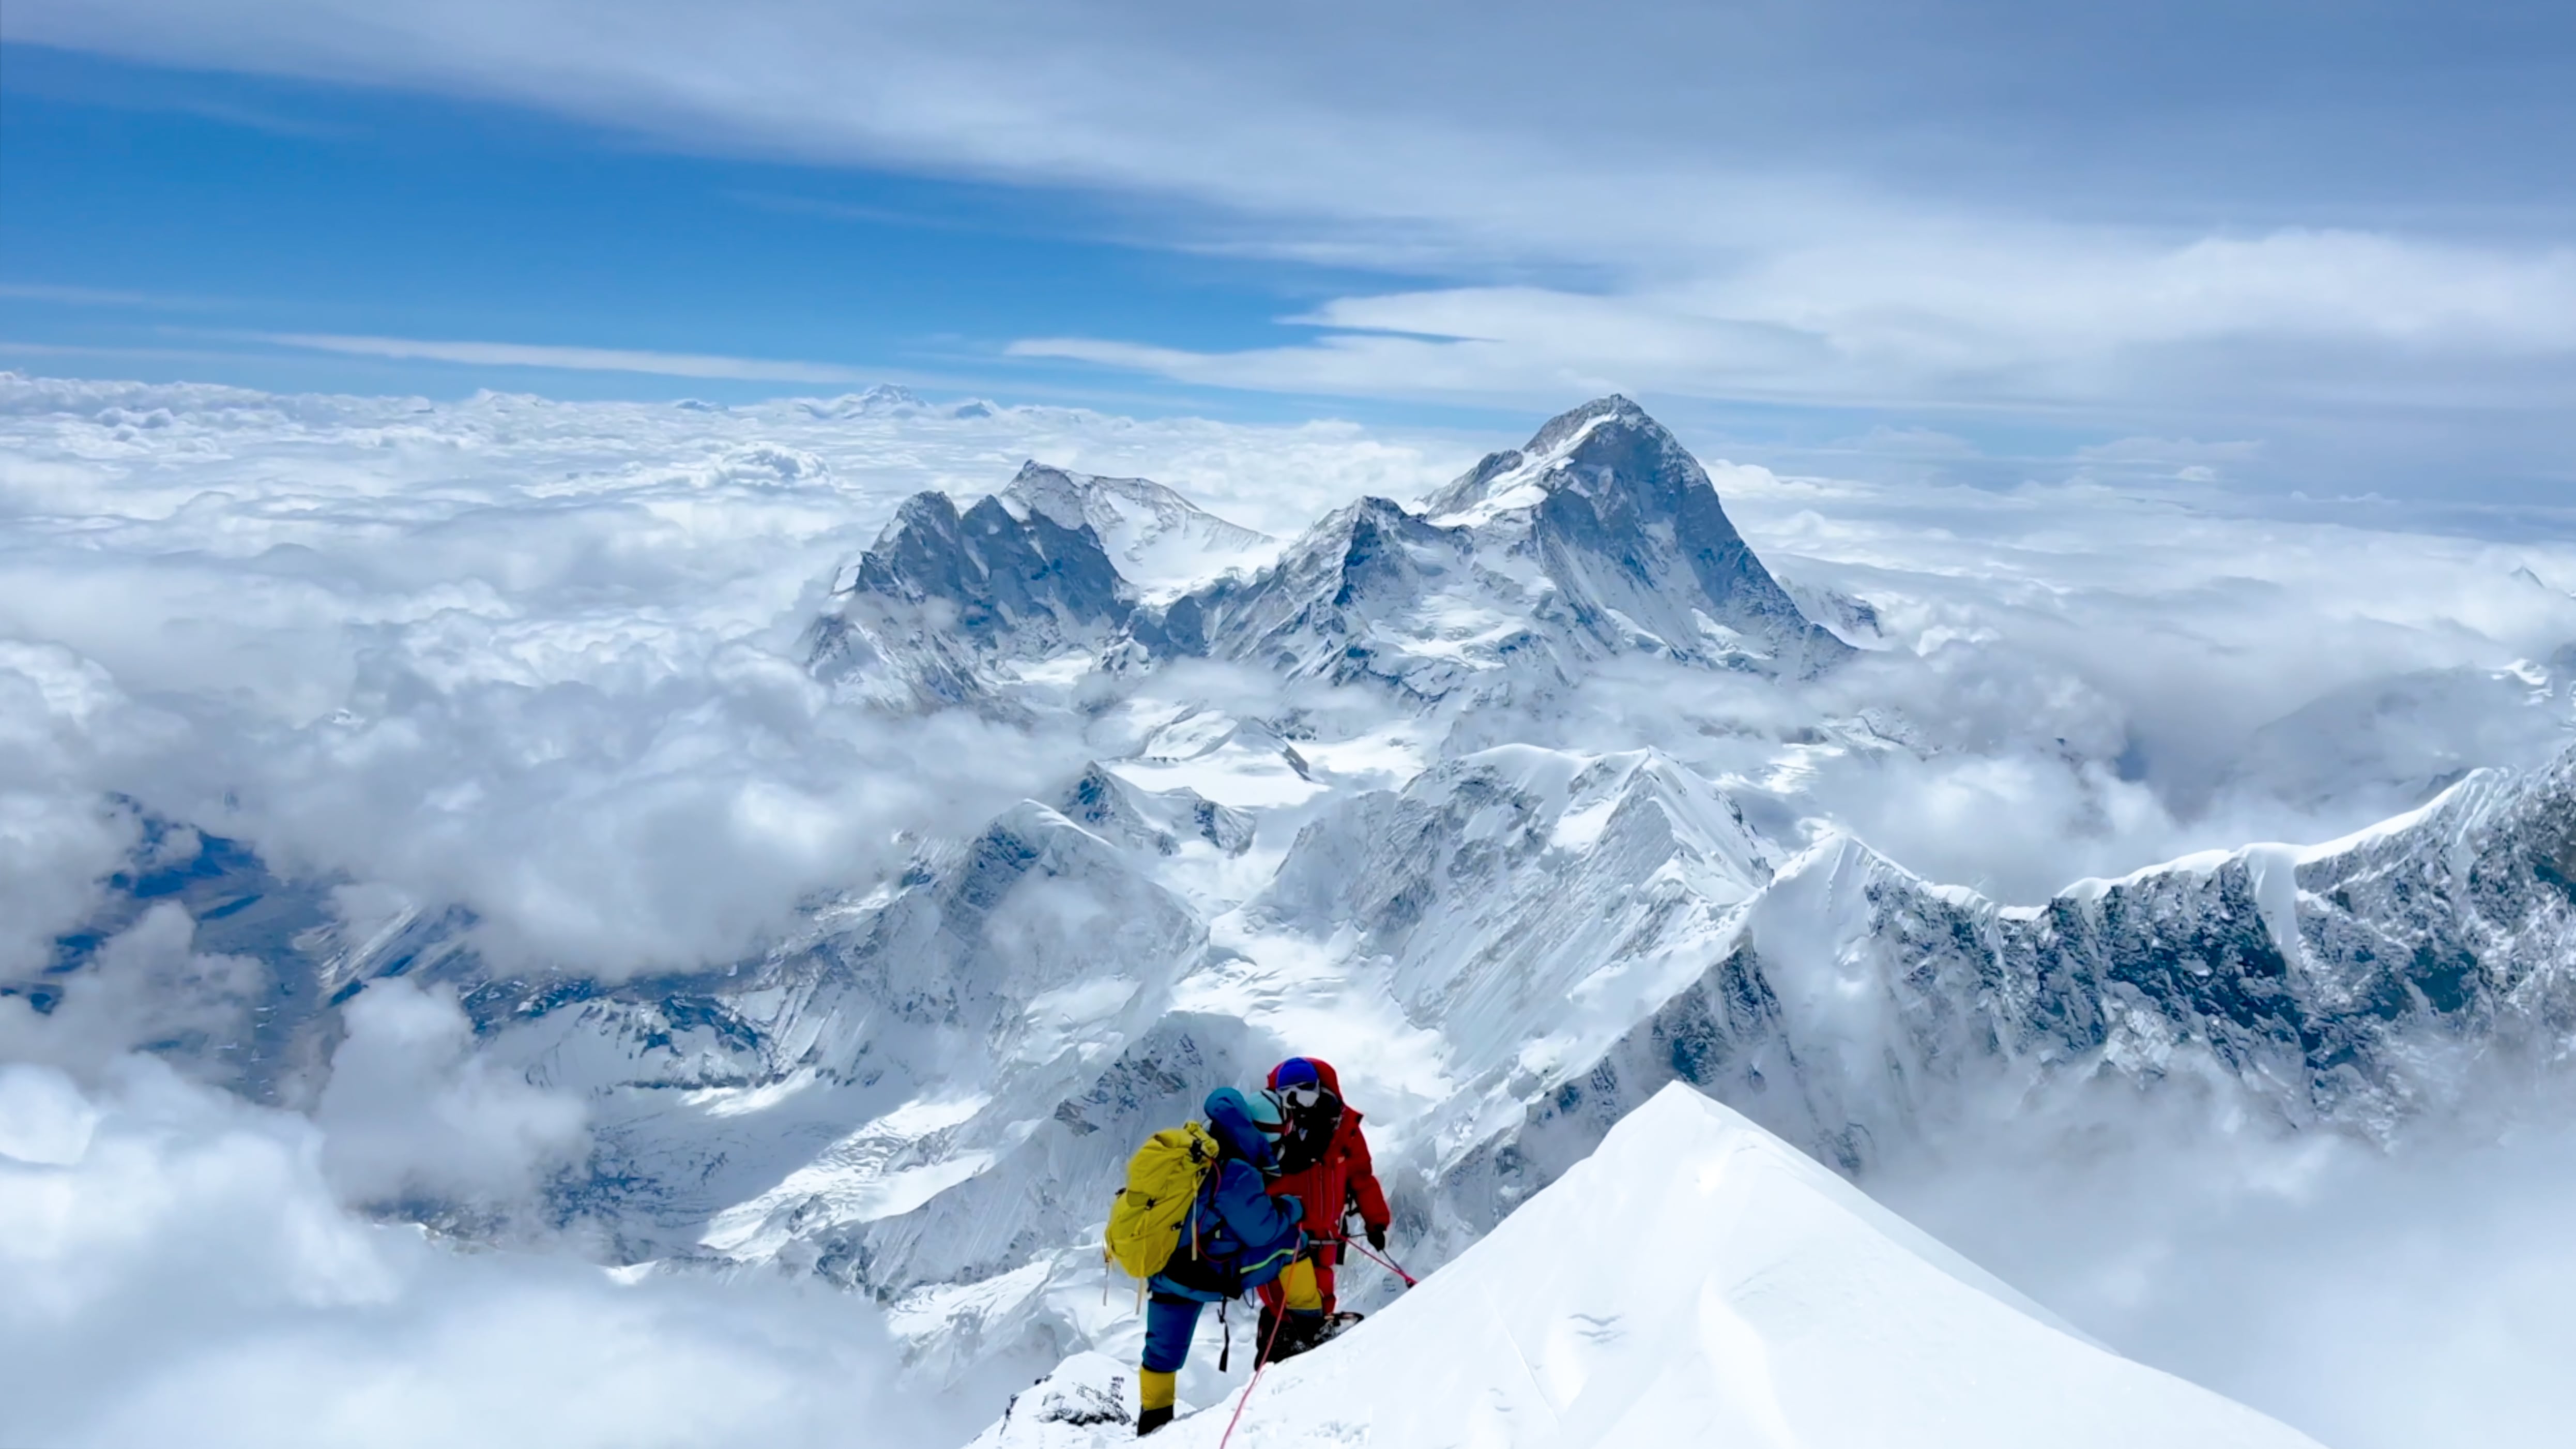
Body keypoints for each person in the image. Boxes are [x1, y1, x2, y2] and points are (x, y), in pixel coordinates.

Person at [1137, 1086, 1304, 1436]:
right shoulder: (1237, 1172)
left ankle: (1152, 1419)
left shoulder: (1197, 1148)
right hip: (1205, 1272)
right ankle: (1311, 1324)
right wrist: (1292, 1207)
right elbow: (1264, 1231)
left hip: (1165, 1266)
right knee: (1293, 1243)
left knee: (1162, 1347)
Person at [1254, 1056, 1392, 1362]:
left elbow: (1361, 1177)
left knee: (1321, 1293)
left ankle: (1307, 1355)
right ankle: (1281, 1347)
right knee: (1281, 1295)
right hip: (1282, 1230)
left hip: (1325, 1230)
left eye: (1305, 1091)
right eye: (1287, 1094)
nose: (1297, 1102)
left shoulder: (1343, 1129)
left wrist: (1376, 1221)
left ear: (1320, 1089)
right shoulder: (1269, 1129)